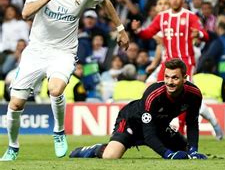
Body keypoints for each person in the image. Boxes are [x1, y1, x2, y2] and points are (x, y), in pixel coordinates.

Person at [0, 0, 130, 161]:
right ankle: (13, 147)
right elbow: (25, 13)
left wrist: (121, 29)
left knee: (56, 88)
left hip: (64, 51)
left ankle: (59, 131)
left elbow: (105, 1)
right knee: (15, 104)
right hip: (36, 51)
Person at [132, 0, 223, 140]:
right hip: (167, 64)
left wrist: (199, 34)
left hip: (185, 63)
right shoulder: (162, 17)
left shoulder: (190, 16)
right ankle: (160, 131)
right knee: (157, 94)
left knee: (186, 98)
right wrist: (138, 30)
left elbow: (205, 35)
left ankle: (212, 122)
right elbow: (149, 33)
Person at [69, 59, 207, 160]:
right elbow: (149, 135)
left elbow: (192, 123)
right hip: (132, 122)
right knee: (110, 156)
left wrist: (194, 150)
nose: (170, 82)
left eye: (175, 78)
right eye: (167, 77)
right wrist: (168, 154)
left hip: (159, 126)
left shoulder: (194, 94)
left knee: (186, 151)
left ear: (185, 78)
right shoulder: (154, 95)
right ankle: (94, 149)